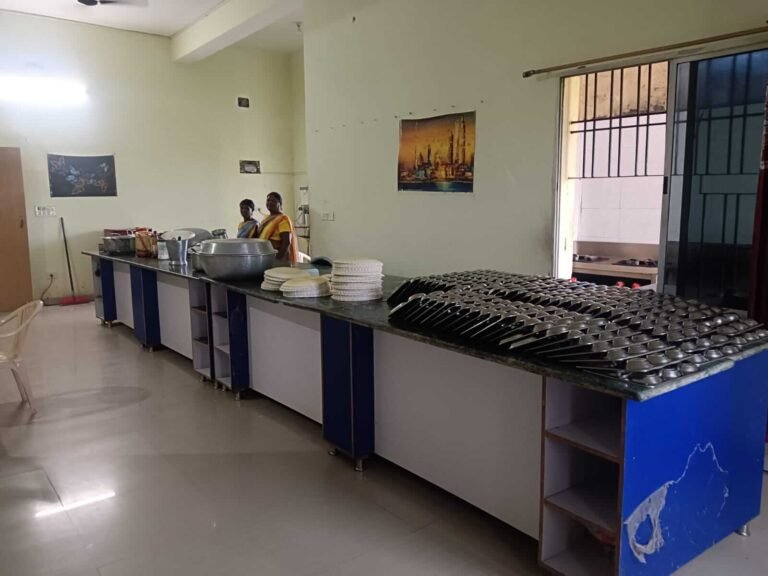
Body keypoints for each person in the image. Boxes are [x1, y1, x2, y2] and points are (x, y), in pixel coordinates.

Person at [258, 191, 299, 262]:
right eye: (268, 200)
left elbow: (286, 242)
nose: (270, 202)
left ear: (279, 204)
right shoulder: (266, 218)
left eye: (274, 201)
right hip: (266, 255)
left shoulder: (283, 219)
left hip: (278, 256)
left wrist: (277, 259)